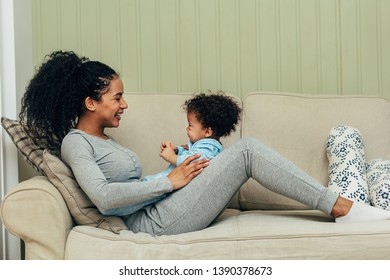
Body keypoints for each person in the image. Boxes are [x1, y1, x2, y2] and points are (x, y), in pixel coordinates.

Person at [19, 50, 390, 236]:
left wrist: (173, 175)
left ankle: (342, 206)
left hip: (161, 206)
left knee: (246, 151)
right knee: (246, 151)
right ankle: (342, 207)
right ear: (91, 103)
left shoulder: (103, 139)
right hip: (151, 224)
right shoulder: (76, 143)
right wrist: (171, 180)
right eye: (116, 97)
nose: (124, 104)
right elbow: (102, 197)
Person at [143, 92, 242, 181]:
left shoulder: (209, 149)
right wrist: (177, 150)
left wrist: (171, 156)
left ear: (207, 132)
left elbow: (190, 164)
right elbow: (190, 154)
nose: (187, 129)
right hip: (167, 182)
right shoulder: (203, 145)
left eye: (190, 125)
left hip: (170, 187)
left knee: (146, 185)